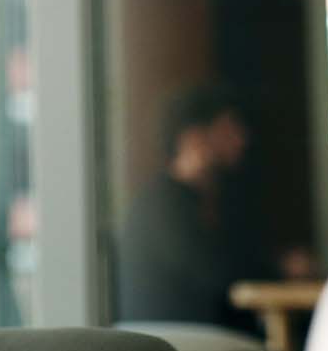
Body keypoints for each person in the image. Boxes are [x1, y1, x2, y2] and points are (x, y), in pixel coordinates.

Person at [116, 85, 315, 333]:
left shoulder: (210, 201)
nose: (242, 139)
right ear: (194, 136)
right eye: (228, 128)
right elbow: (216, 273)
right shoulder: (161, 204)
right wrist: (283, 270)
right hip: (181, 343)